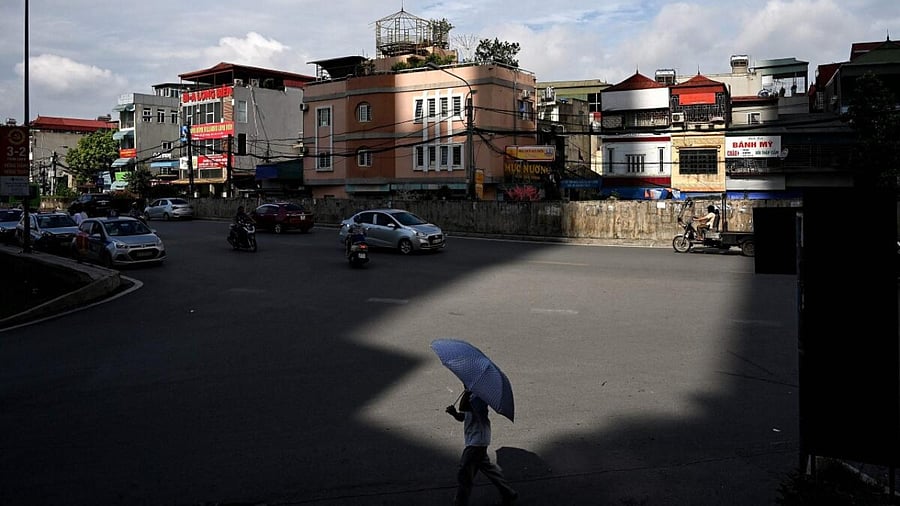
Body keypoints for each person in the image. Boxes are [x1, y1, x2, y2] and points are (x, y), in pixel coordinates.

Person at [446, 389, 518, 506]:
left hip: (476, 441)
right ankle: (508, 493)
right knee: (488, 469)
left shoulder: (479, 397)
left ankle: (460, 502)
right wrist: (454, 413)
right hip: (477, 440)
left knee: (464, 473)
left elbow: (464, 406)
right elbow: (463, 416)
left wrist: (467, 392)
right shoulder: (472, 394)